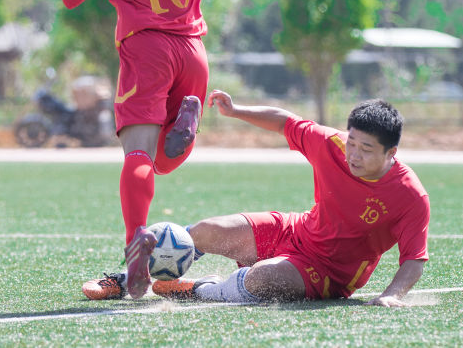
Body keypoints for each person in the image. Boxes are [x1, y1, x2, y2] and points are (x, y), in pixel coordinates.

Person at [61, 0, 251, 300]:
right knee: (164, 161)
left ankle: (136, 243)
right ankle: (184, 124)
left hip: (145, 50)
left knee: (139, 155)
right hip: (192, 50)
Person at [87, 90, 430, 306]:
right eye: (352, 142)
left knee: (261, 279)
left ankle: (199, 289)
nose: (353, 154)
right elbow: (286, 122)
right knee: (206, 230)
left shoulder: (410, 195)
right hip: (294, 230)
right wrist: (236, 110)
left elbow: (414, 259)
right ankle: (127, 278)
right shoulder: (332, 144)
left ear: (391, 153)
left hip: (328, 272)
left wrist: (391, 295)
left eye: (366, 149)